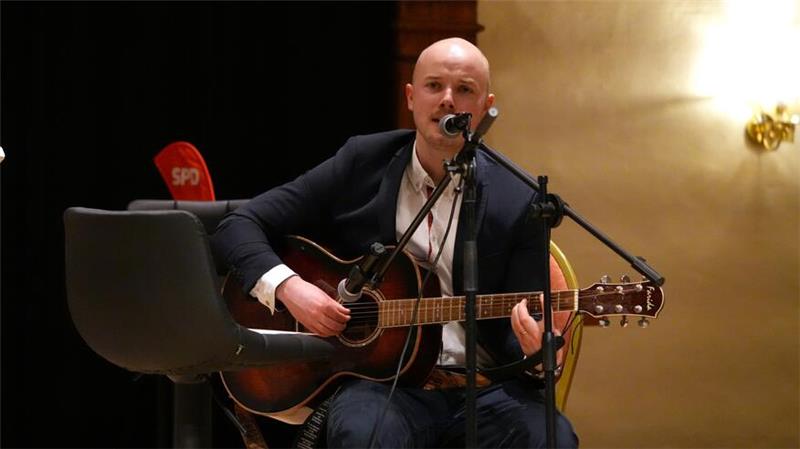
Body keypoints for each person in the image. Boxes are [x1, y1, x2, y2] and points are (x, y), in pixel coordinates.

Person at [212, 37, 579, 448]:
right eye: (433, 86)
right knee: (363, 433)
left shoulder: (520, 198)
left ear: (484, 106)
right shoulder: (362, 163)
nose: (447, 100)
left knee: (552, 437)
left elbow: (523, 327)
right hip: (383, 384)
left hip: (483, 385)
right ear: (410, 96)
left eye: (464, 90)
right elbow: (238, 226)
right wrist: (291, 288)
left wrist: (539, 352)